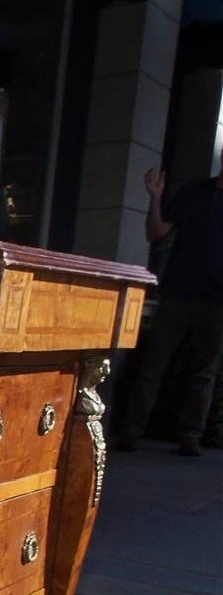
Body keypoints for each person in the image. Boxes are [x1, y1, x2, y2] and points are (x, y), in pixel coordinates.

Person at [116, 163, 223, 455]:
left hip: (217, 301)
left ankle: (191, 435)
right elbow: (156, 233)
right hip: (176, 294)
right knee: (154, 365)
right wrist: (154, 197)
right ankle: (131, 429)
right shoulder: (193, 192)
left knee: (204, 372)